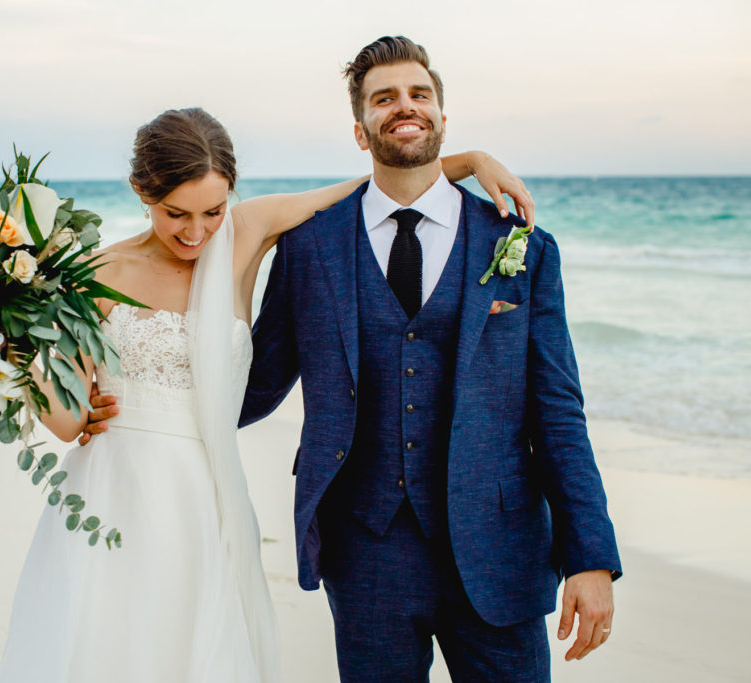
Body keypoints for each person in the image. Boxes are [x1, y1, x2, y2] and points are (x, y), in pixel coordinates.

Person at [0, 106, 534, 682]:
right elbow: (66, 418)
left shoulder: (246, 233)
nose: (196, 232)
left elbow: (370, 190)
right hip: (113, 486)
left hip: (207, 491)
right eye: (175, 213)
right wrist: (7, 336)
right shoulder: (97, 272)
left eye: (212, 210)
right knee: (109, 644)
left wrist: (472, 162)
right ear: (140, 191)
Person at [230, 37, 623, 682]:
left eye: (419, 94)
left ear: (442, 117)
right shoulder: (309, 249)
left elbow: (557, 411)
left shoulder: (521, 245)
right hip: (365, 550)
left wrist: (590, 556)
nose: (404, 107)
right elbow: (256, 386)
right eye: (384, 98)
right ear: (361, 131)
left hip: (499, 549)